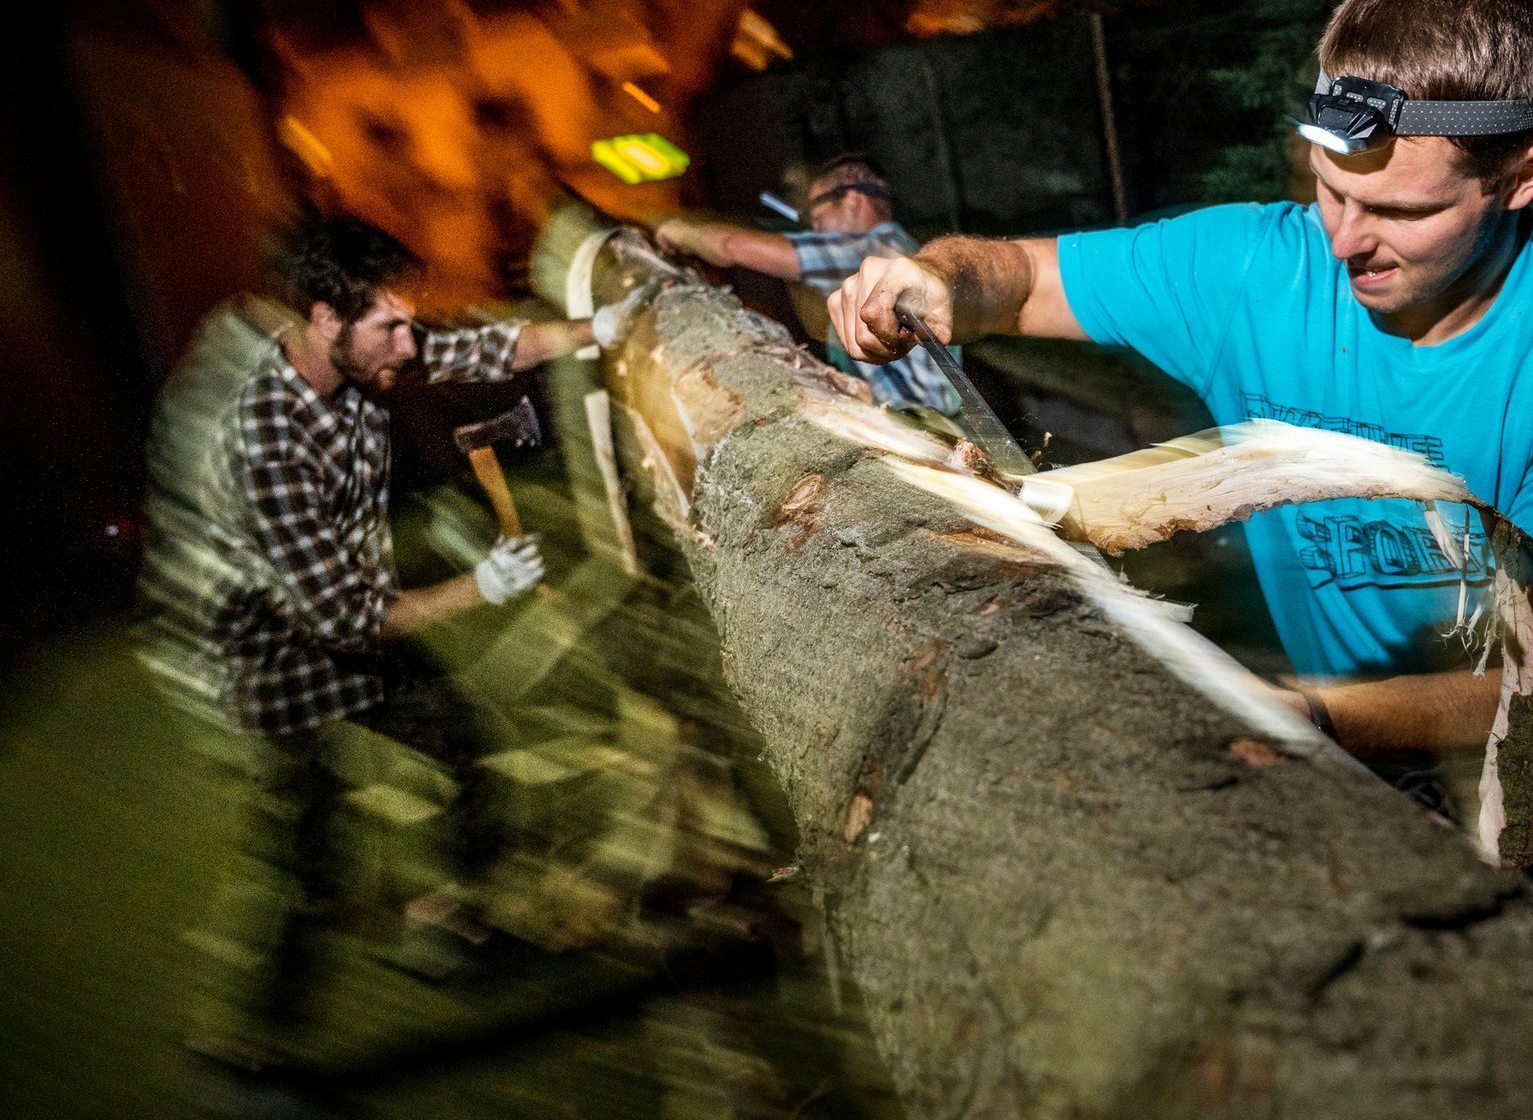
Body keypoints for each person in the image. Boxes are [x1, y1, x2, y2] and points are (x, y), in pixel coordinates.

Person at [826, 0, 1533, 773]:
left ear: (1524, 175)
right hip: (1319, 758)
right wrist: (937, 275)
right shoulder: (1250, 269)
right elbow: (1013, 282)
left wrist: (1306, 715)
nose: (1344, 239)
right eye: (1330, 187)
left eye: (1399, 210)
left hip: (1502, 797)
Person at [171, 211, 645, 1072]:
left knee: (464, 747)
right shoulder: (260, 440)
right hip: (272, 650)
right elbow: (349, 616)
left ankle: (451, 925)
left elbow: (482, 350)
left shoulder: (353, 346)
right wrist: (480, 586)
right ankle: (245, 1040)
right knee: (312, 852)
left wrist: (595, 328)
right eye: (389, 322)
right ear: (323, 319)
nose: (408, 338)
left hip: (332, 612)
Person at [654, 153, 960, 414]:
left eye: (818, 216)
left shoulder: (872, 252)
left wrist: (679, 230)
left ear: (853, 201)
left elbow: (733, 246)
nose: (816, 229)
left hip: (925, 424)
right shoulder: (906, 249)